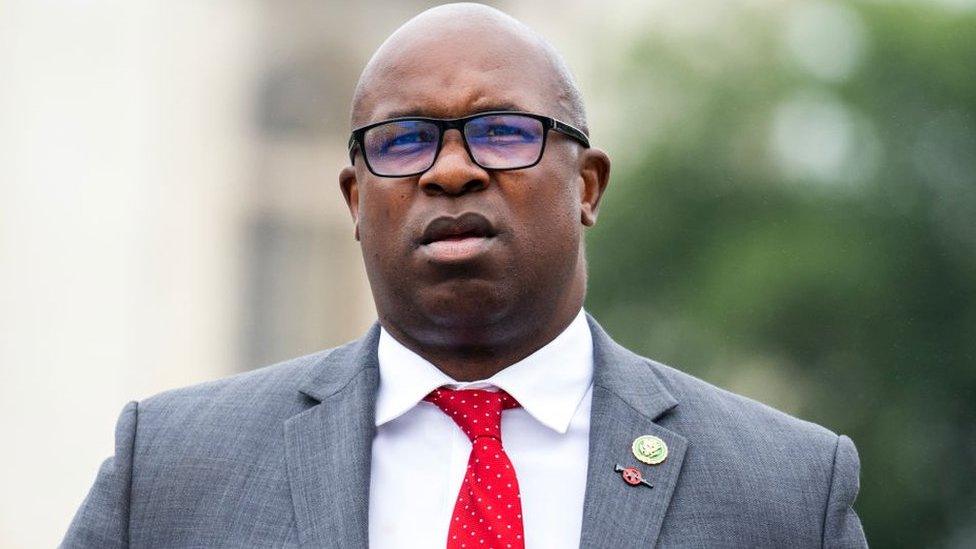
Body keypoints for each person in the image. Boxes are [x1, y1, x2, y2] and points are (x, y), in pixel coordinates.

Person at [62, 3, 867, 548]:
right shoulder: (170, 471)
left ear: (586, 185)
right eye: (404, 140)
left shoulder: (784, 489)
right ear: (354, 197)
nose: (451, 171)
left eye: (502, 131)